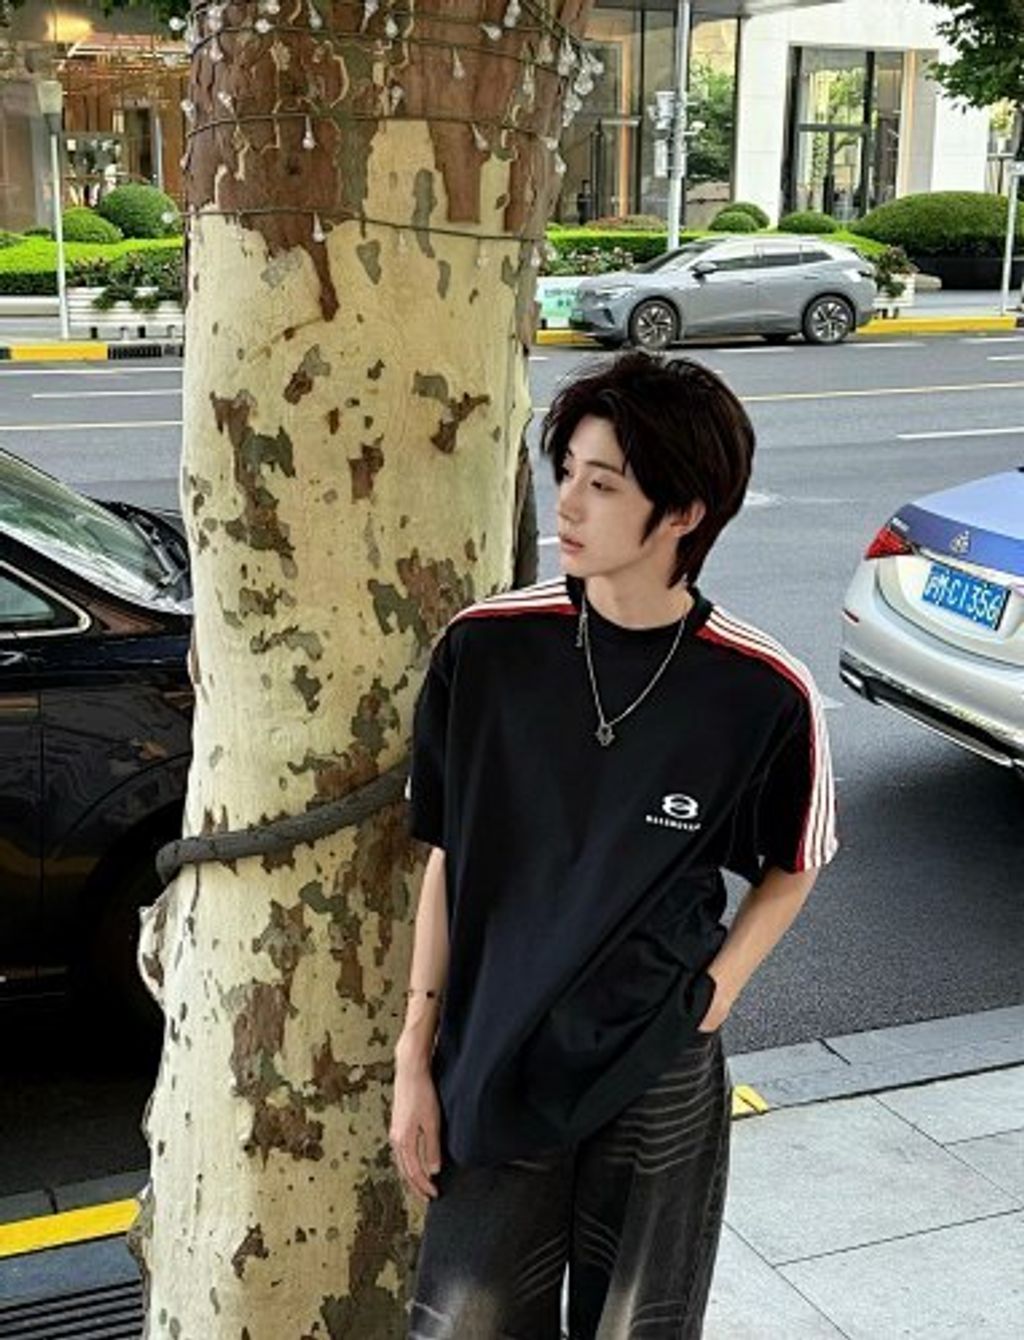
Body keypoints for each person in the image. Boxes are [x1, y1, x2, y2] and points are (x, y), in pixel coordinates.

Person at [391, 350, 838, 1339]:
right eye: (566, 474)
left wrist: (710, 995)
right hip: (492, 1054)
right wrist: (413, 1054)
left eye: (604, 484)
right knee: (462, 1320)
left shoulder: (760, 689)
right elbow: (447, 856)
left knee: (641, 1324)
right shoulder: (486, 649)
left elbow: (795, 860)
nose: (570, 505)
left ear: (684, 513)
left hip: (656, 1067)